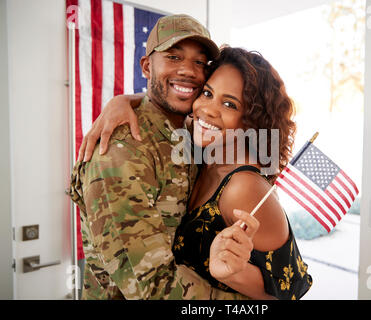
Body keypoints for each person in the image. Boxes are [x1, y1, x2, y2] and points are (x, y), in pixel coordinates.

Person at [79, 47, 313, 300]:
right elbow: (162, 104)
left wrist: (232, 273)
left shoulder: (244, 187)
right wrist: (121, 102)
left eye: (229, 104)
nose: (207, 110)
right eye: (207, 93)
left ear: (251, 120)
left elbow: (290, 291)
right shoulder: (201, 148)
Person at [69, 14, 260, 300]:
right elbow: (155, 288)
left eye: (199, 62)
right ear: (147, 66)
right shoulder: (120, 153)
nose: (189, 71)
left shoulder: (190, 133)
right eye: (173, 57)